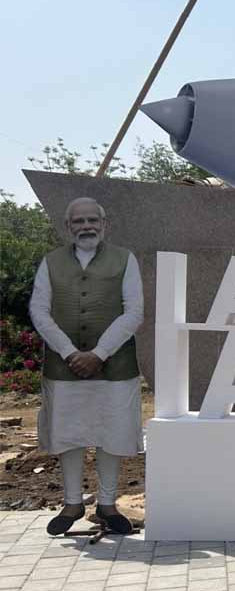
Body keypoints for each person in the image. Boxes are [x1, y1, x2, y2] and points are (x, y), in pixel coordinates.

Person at [29, 198, 143, 535]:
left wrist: (99, 353)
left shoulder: (125, 259)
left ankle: (107, 504)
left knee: (111, 433)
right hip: (64, 367)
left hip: (115, 365)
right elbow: (39, 311)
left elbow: (134, 311)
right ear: (68, 226)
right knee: (69, 434)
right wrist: (69, 353)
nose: (86, 226)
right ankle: (72, 503)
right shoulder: (50, 262)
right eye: (79, 221)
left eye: (92, 220)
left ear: (104, 224)